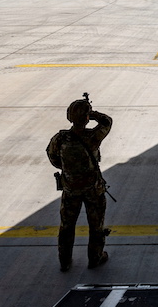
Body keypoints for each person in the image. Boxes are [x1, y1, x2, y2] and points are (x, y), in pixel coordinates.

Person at [46, 96, 113, 272]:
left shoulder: (60, 139)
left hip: (70, 189)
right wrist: (92, 114)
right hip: (93, 189)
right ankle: (95, 258)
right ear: (86, 118)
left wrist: (68, 170)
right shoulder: (93, 136)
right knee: (96, 225)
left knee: (67, 226)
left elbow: (52, 157)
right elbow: (107, 121)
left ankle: (64, 261)